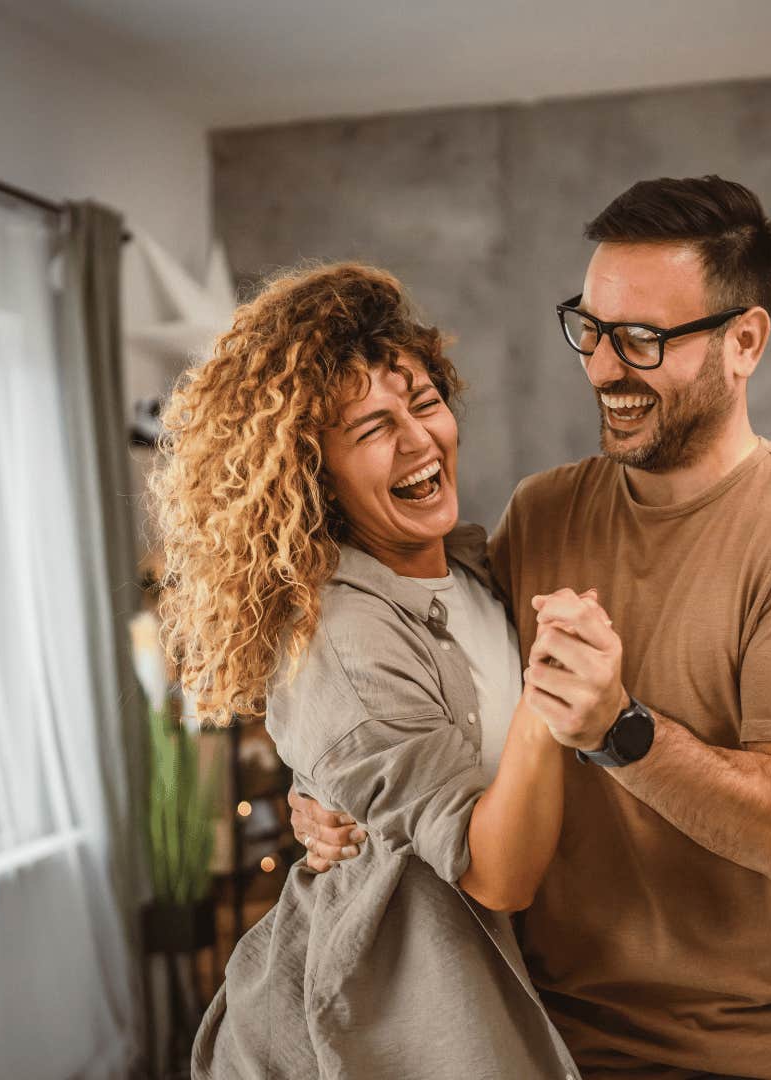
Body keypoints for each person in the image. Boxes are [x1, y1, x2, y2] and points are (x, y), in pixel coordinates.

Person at [293, 175, 771, 1080]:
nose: (605, 366)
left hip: (730, 1054)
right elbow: (460, 692)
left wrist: (622, 732)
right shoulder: (542, 512)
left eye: (644, 340)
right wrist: (334, 793)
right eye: (591, 327)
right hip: (536, 1034)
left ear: (745, 342)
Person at [148, 263, 585, 1078]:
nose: (420, 438)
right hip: (385, 1028)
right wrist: (555, 696)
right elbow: (498, 873)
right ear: (318, 473)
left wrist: (322, 790)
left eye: (423, 403)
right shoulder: (340, 639)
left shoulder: (472, 568)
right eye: (373, 428)